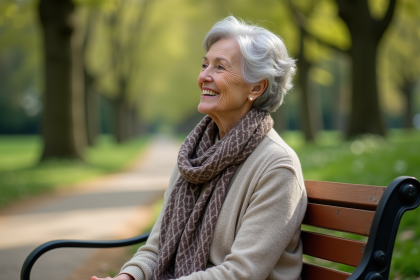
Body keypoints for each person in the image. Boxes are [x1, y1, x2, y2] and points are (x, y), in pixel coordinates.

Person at [92, 15, 307, 280]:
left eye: (219, 67)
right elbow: (156, 249)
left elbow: (242, 273)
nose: (204, 76)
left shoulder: (277, 167)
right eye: (205, 65)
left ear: (257, 87)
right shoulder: (193, 157)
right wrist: (128, 278)